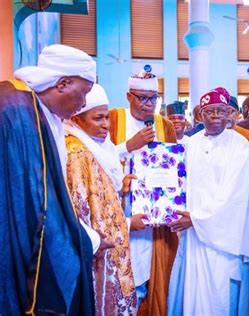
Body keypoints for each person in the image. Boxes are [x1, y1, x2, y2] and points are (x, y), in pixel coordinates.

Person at [0, 44, 96, 315]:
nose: (84, 104)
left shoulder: (37, 109)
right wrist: (86, 241)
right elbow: (37, 203)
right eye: (84, 93)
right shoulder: (17, 110)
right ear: (63, 83)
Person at [167, 87, 249, 315]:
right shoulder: (190, 144)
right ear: (200, 115)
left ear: (230, 113)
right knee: (190, 292)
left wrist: (196, 220)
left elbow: (236, 196)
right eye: (210, 111)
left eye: (221, 110)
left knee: (219, 296)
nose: (216, 116)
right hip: (192, 237)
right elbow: (176, 183)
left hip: (222, 239)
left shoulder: (240, 146)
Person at [108, 67, 178, 316]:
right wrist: (129, 145)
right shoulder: (113, 118)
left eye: (154, 99)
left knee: (152, 273)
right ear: (129, 96)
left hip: (155, 215)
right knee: (124, 274)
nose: (149, 105)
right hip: (121, 208)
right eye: (142, 98)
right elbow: (99, 159)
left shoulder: (164, 125)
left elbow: (175, 167)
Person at [64, 84, 137, 314]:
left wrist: (122, 191)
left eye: (107, 117)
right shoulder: (76, 151)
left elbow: (103, 198)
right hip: (97, 253)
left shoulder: (98, 147)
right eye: (98, 118)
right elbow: (81, 210)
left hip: (111, 249)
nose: (106, 124)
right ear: (76, 119)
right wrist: (127, 224)